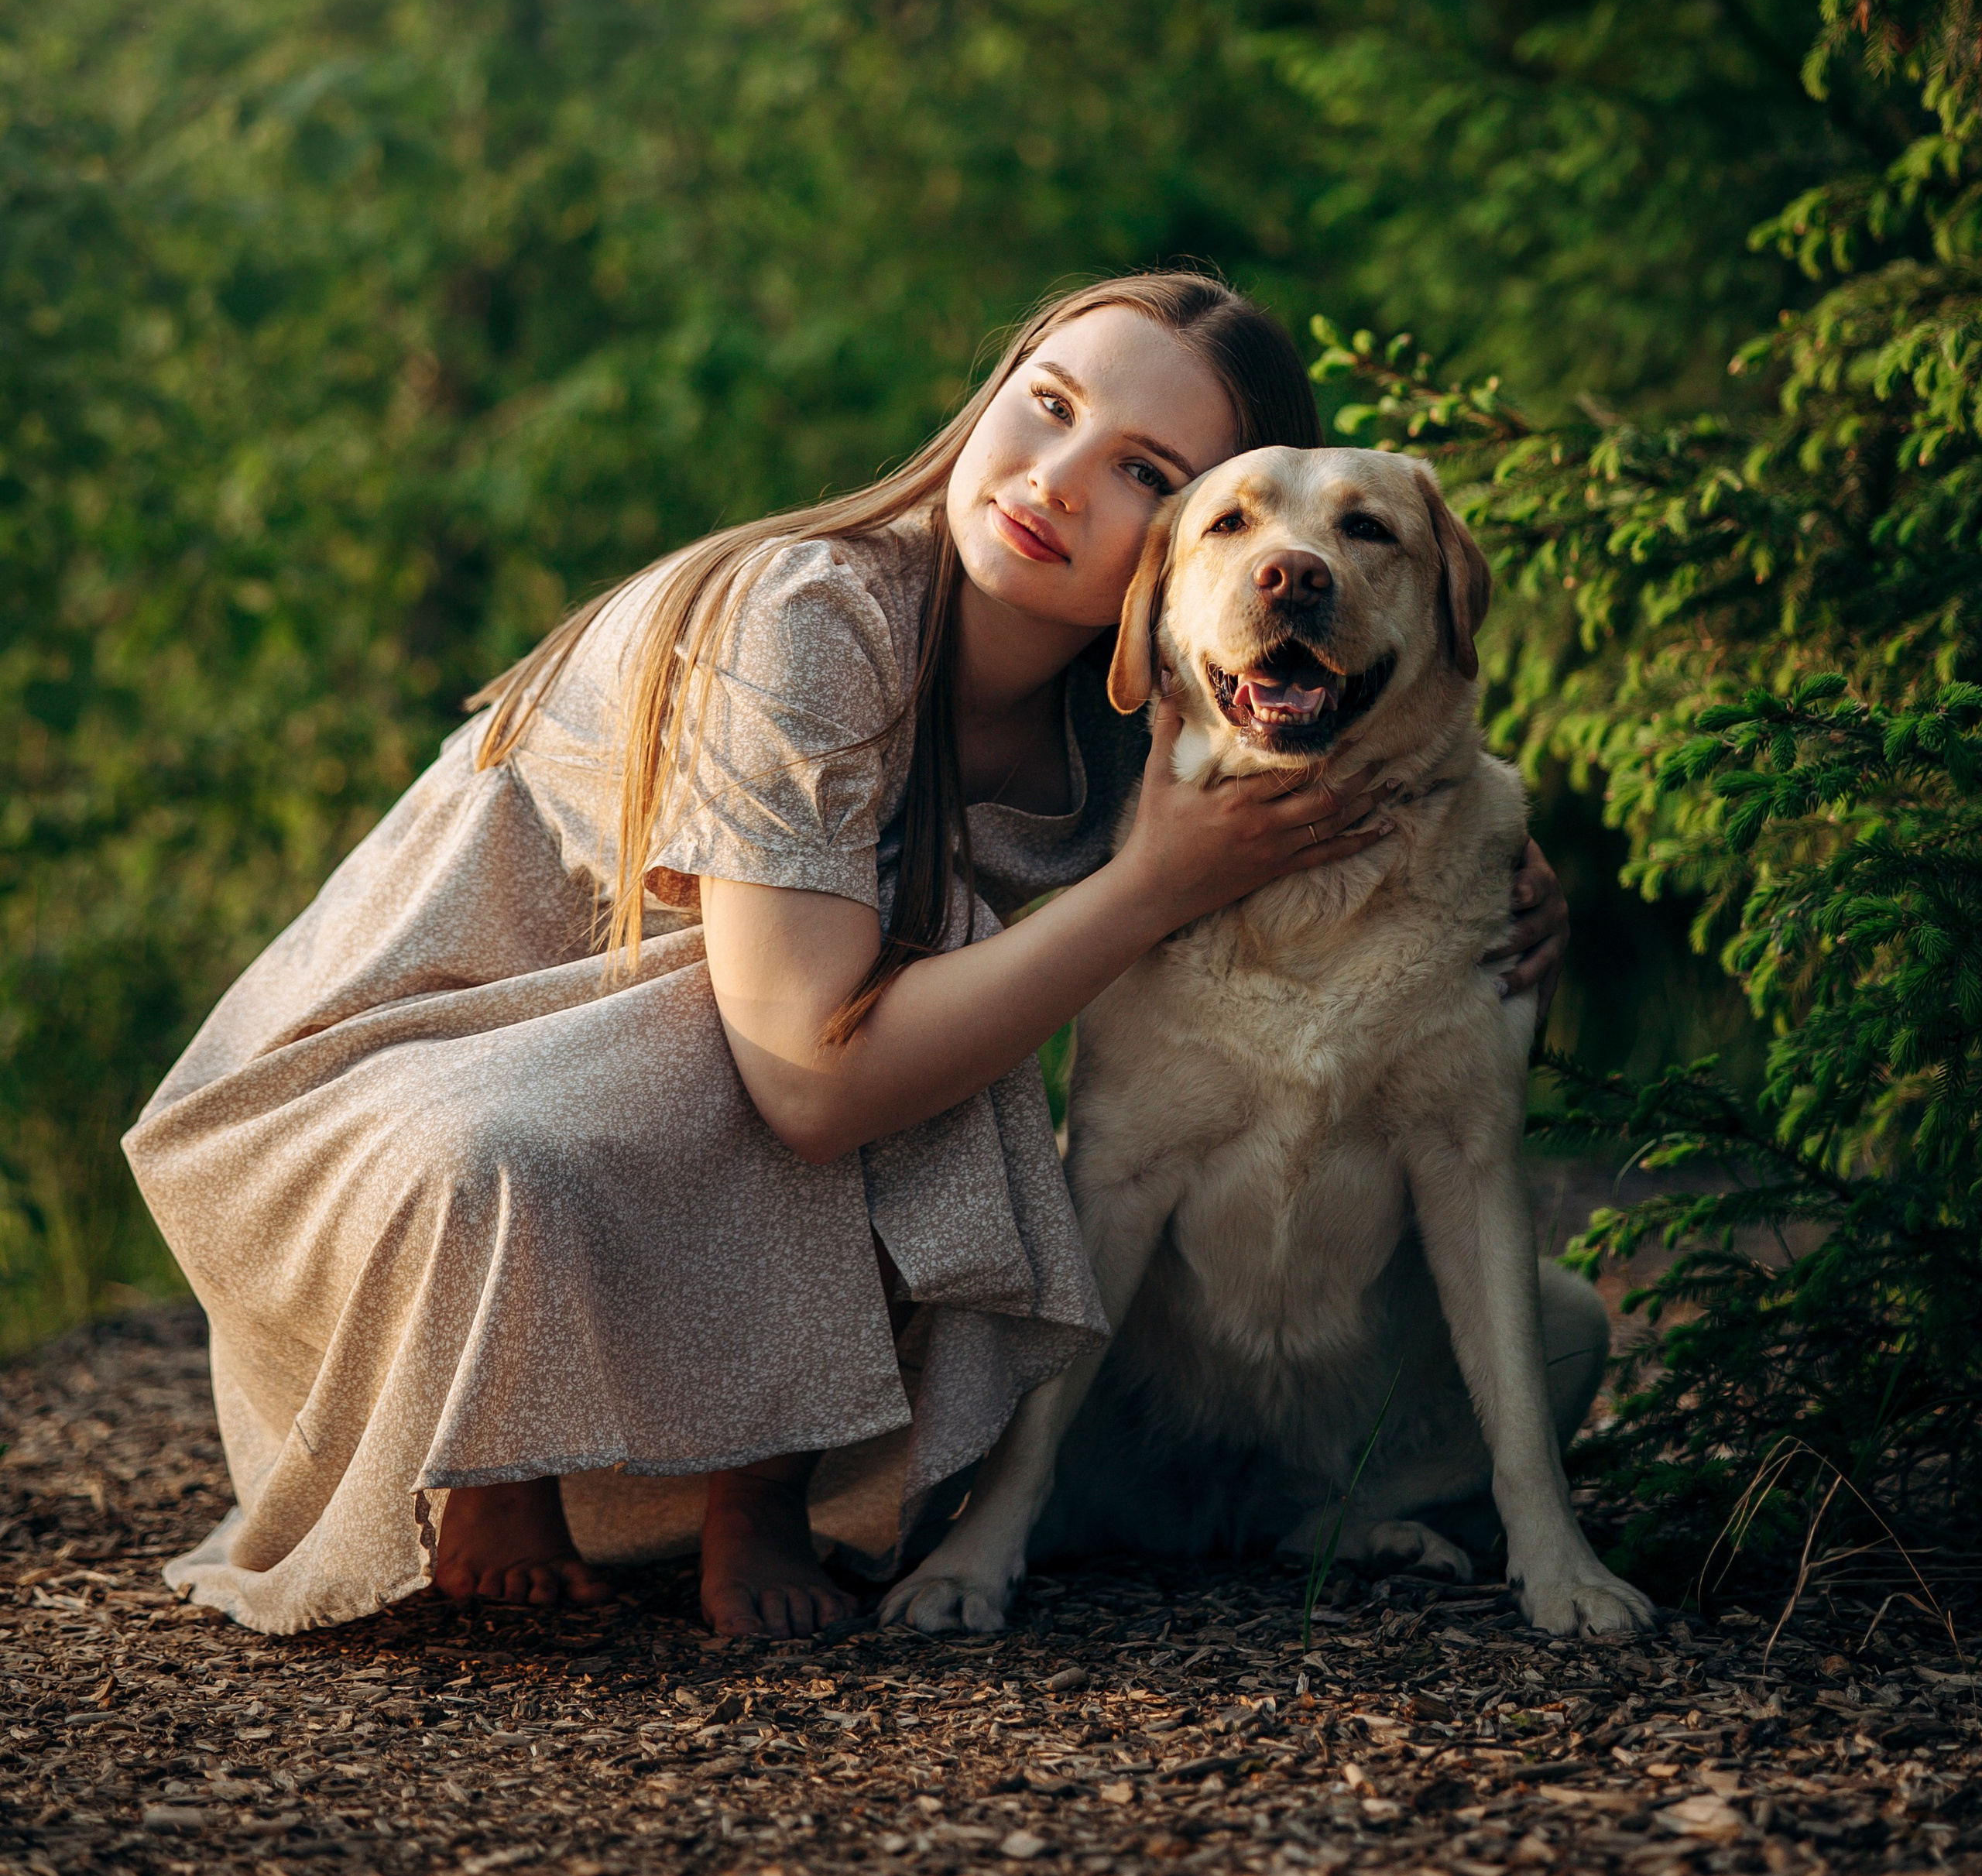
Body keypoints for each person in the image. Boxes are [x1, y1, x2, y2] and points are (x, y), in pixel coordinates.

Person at [125, 273, 1567, 1638]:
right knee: (808, 1045)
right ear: (989, 394)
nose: (1059, 481)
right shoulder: (807, 616)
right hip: (422, 1081)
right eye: (1049, 404)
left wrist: (1478, 855)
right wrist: (1145, 890)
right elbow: (811, 1081)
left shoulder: (1120, 708)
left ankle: (761, 1476)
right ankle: (501, 1456)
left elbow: (1339, 723)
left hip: (686, 1097)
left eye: (1142, 472)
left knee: (947, 1088)